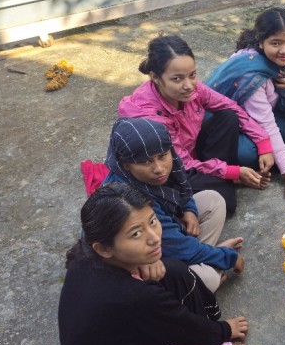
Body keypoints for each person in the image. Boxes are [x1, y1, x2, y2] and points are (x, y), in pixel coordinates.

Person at [52, 183, 271, 345]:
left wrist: (143, 261)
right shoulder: (135, 297)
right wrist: (224, 331)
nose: (154, 238)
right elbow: (186, 329)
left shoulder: (82, 260)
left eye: (152, 221)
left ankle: (209, 331)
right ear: (103, 248)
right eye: (136, 234)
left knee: (172, 270)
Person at [118, 34, 274, 214]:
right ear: (155, 77)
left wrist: (263, 142)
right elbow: (181, 162)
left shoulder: (193, 89)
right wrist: (234, 172)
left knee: (228, 117)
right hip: (169, 169)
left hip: (192, 152)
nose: (189, 85)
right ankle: (220, 181)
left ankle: (221, 178)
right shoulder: (150, 117)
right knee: (227, 202)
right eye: (177, 79)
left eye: (192, 75)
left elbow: (228, 105)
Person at [103, 117, 245, 293]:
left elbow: (183, 186)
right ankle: (201, 269)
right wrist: (228, 257)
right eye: (146, 161)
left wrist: (189, 209)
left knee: (213, 200)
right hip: (147, 260)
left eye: (162, 156)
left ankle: (201, 258)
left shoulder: (162, 165)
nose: (159, 168)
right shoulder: (130, 199)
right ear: (126, 165)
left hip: (169, 241)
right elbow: (171, 245)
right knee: (207, 280)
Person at [205, 7, 285, 200]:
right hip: (244, 125)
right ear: (261, 42)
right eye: (275, 43)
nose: (284, 50)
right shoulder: (252, 75)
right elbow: (266, 125)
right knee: (247, 153)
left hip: (278, 111)